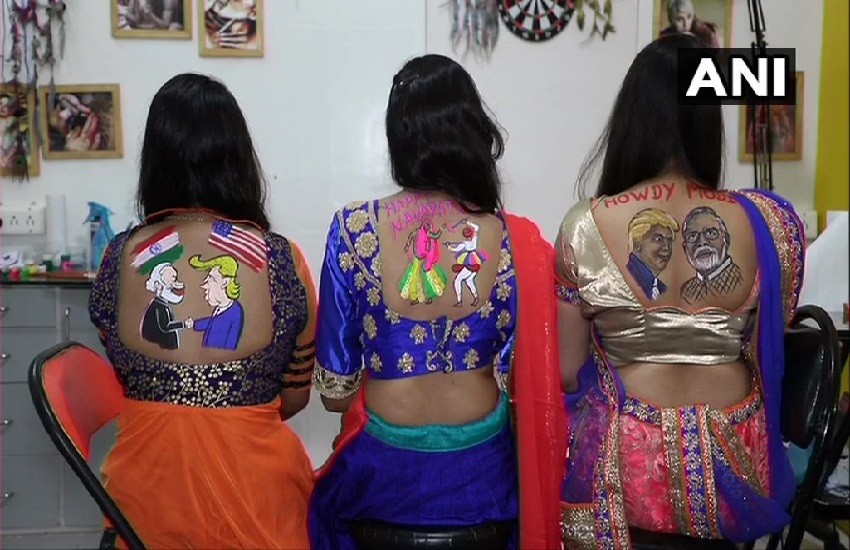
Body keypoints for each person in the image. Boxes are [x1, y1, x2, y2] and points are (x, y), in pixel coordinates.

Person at [555, 35, 805, 547]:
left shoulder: (586, 225)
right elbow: (770, 345)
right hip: (733, 461)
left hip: (627, 467)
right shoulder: (767, 222)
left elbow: (565, 369)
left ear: (631, 118)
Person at [309, 54, 565, 549]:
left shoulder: (352, 229)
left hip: (380, 480)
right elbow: (522, 386)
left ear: (397, 138)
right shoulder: (518, 242)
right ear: (474, 133)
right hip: (484, 482)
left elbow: (334, 394)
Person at [88, 73, 316, 549]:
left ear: (155, 162)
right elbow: (295, 397)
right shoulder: (283, 260)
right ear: (238, 159)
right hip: (260, 513)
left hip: (142, 515)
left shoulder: (116, 259)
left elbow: (125, 376)